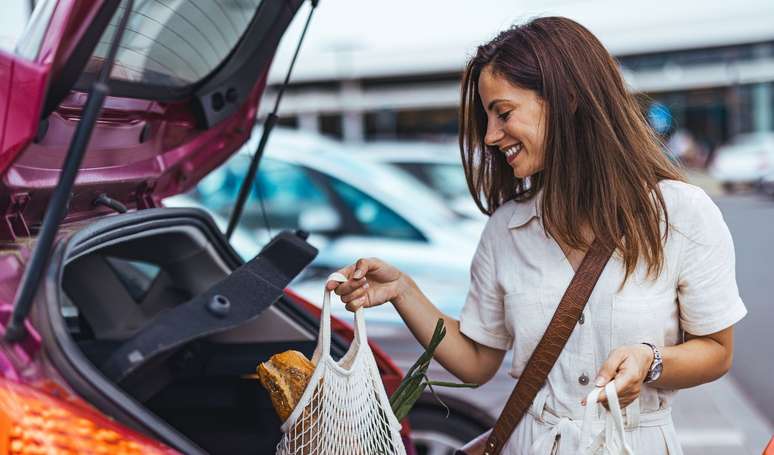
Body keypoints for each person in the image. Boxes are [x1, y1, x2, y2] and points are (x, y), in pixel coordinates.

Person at [326, 16, 746, 454]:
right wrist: (403, 290)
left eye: (503, 113)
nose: (489, 136)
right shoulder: (506, 230)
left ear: (566, 99)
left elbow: (716, 350)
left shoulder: (680, 213)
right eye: (487, 118)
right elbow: (475, 362)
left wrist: (651, 359)